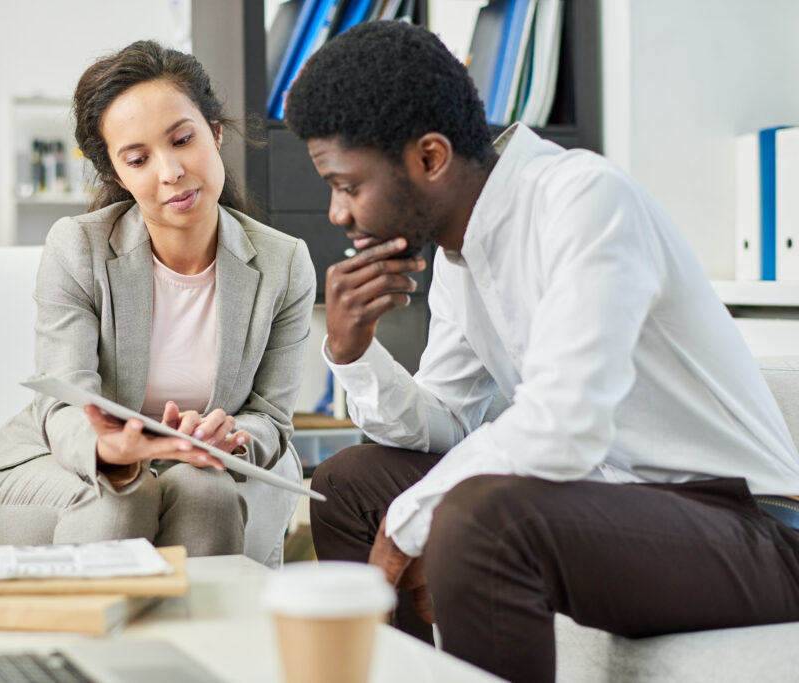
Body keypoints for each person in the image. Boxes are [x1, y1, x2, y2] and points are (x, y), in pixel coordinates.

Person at [284, 20, 799, 683]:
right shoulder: (459, 258)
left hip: (751, 528)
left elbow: (565, 426)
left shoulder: (584, 200)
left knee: (478, 520)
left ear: (431, 158)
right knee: (347, 486)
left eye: (347, 184)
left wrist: (410, 524)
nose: (337, 212)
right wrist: (351, 351)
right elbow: (448, 423)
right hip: (609, 506)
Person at [0, 40, 316, 557]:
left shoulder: (283, 264)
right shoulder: (77, 247)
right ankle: (95, 640)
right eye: (139, 158)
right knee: (124, 495)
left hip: (184, 471)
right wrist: (108, 450)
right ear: (116, 174)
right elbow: (62, 404)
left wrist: (231, 435)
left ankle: (204, 640)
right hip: (46, 472)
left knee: (210, 493)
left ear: (215, 135)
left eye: (183, 139)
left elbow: (272, 419)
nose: (170, 171)